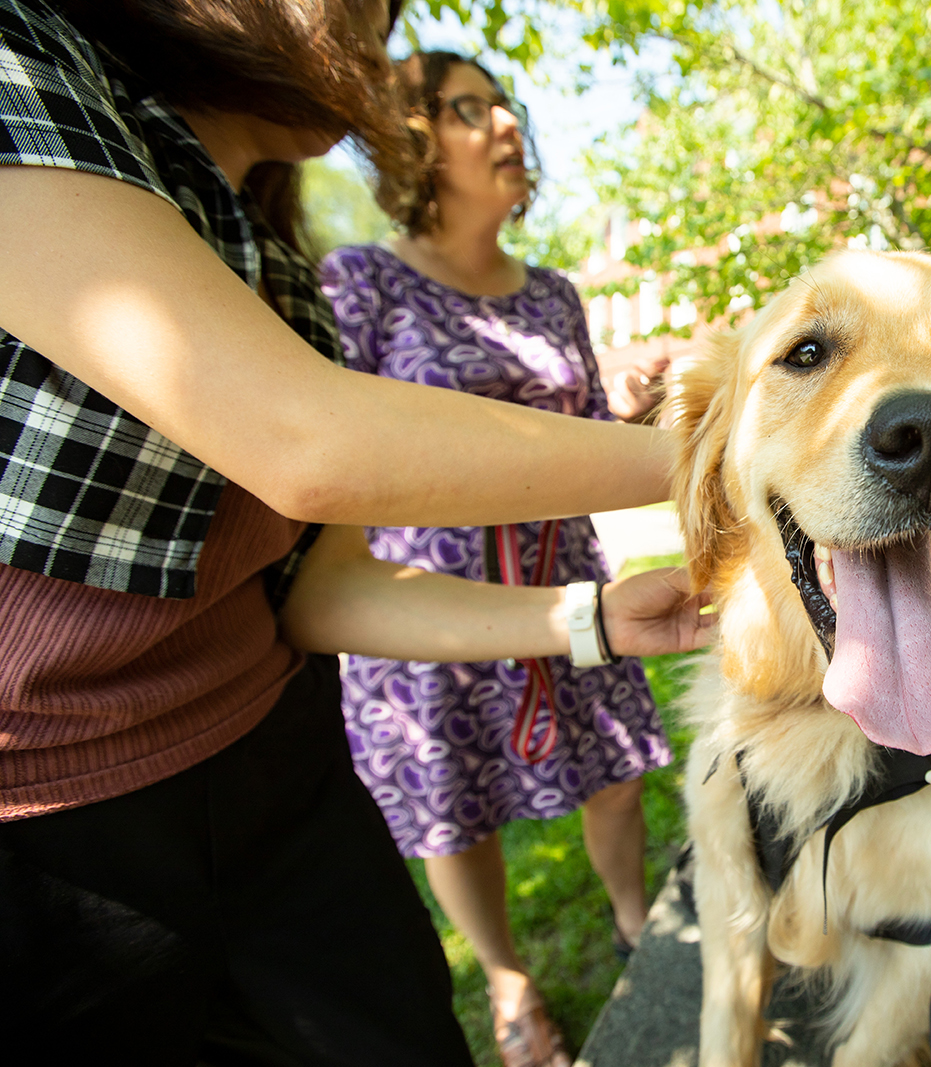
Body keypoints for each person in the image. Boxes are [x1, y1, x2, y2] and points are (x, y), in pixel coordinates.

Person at [0, 2, 708, 1063]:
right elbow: (308, 439)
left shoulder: (277, 262)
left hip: (281, 767)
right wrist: (723, 459)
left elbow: (320, 588)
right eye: (370, 17)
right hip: (54, 834)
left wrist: (592, 615)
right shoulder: (22, 60)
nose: (374, 45)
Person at [319, 51, 662, 1067]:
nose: (506, 123)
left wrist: (629, 412)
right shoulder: (361, 281)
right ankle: (509, 977)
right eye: (469, 108)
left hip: (569, 582)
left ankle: (638, 915)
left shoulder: (554, 293)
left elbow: (588, 435)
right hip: (427, 599)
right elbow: (340, 455)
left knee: (615, 769)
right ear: (409, 139)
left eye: (505, 103)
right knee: (451, 806)